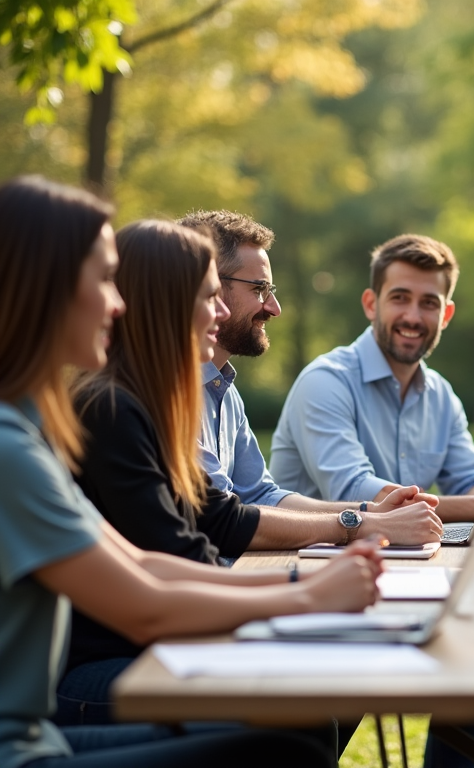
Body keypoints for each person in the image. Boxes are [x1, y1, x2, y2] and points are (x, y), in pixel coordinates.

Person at [0, 175, 381, 768]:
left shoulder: (27, 428)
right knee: (288, 746)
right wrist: (305, 594)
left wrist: (310, 586)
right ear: (44, 286)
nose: (118, 300)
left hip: (46, 731)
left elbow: (147, 564)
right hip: (46, 728)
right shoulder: (31, 440)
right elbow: (147, 600)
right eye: (103, 278)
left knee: (301, 728)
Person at [175, 210, 442, 546]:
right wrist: (362, 524)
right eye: (259, 289)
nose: (274, 307)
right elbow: (223, 520)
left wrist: (371, 512)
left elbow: (261, 494)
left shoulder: (224, 392)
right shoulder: (162, 396)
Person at [270, 233, 474, 524]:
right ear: (371, 304)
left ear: (446, 315)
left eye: (429, 303)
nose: (413, 316)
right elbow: (355, 494)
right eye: (400, 298)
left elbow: (469, 478)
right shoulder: (324, 382)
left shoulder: (441, 396)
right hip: (309, 561)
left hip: (397, 555)